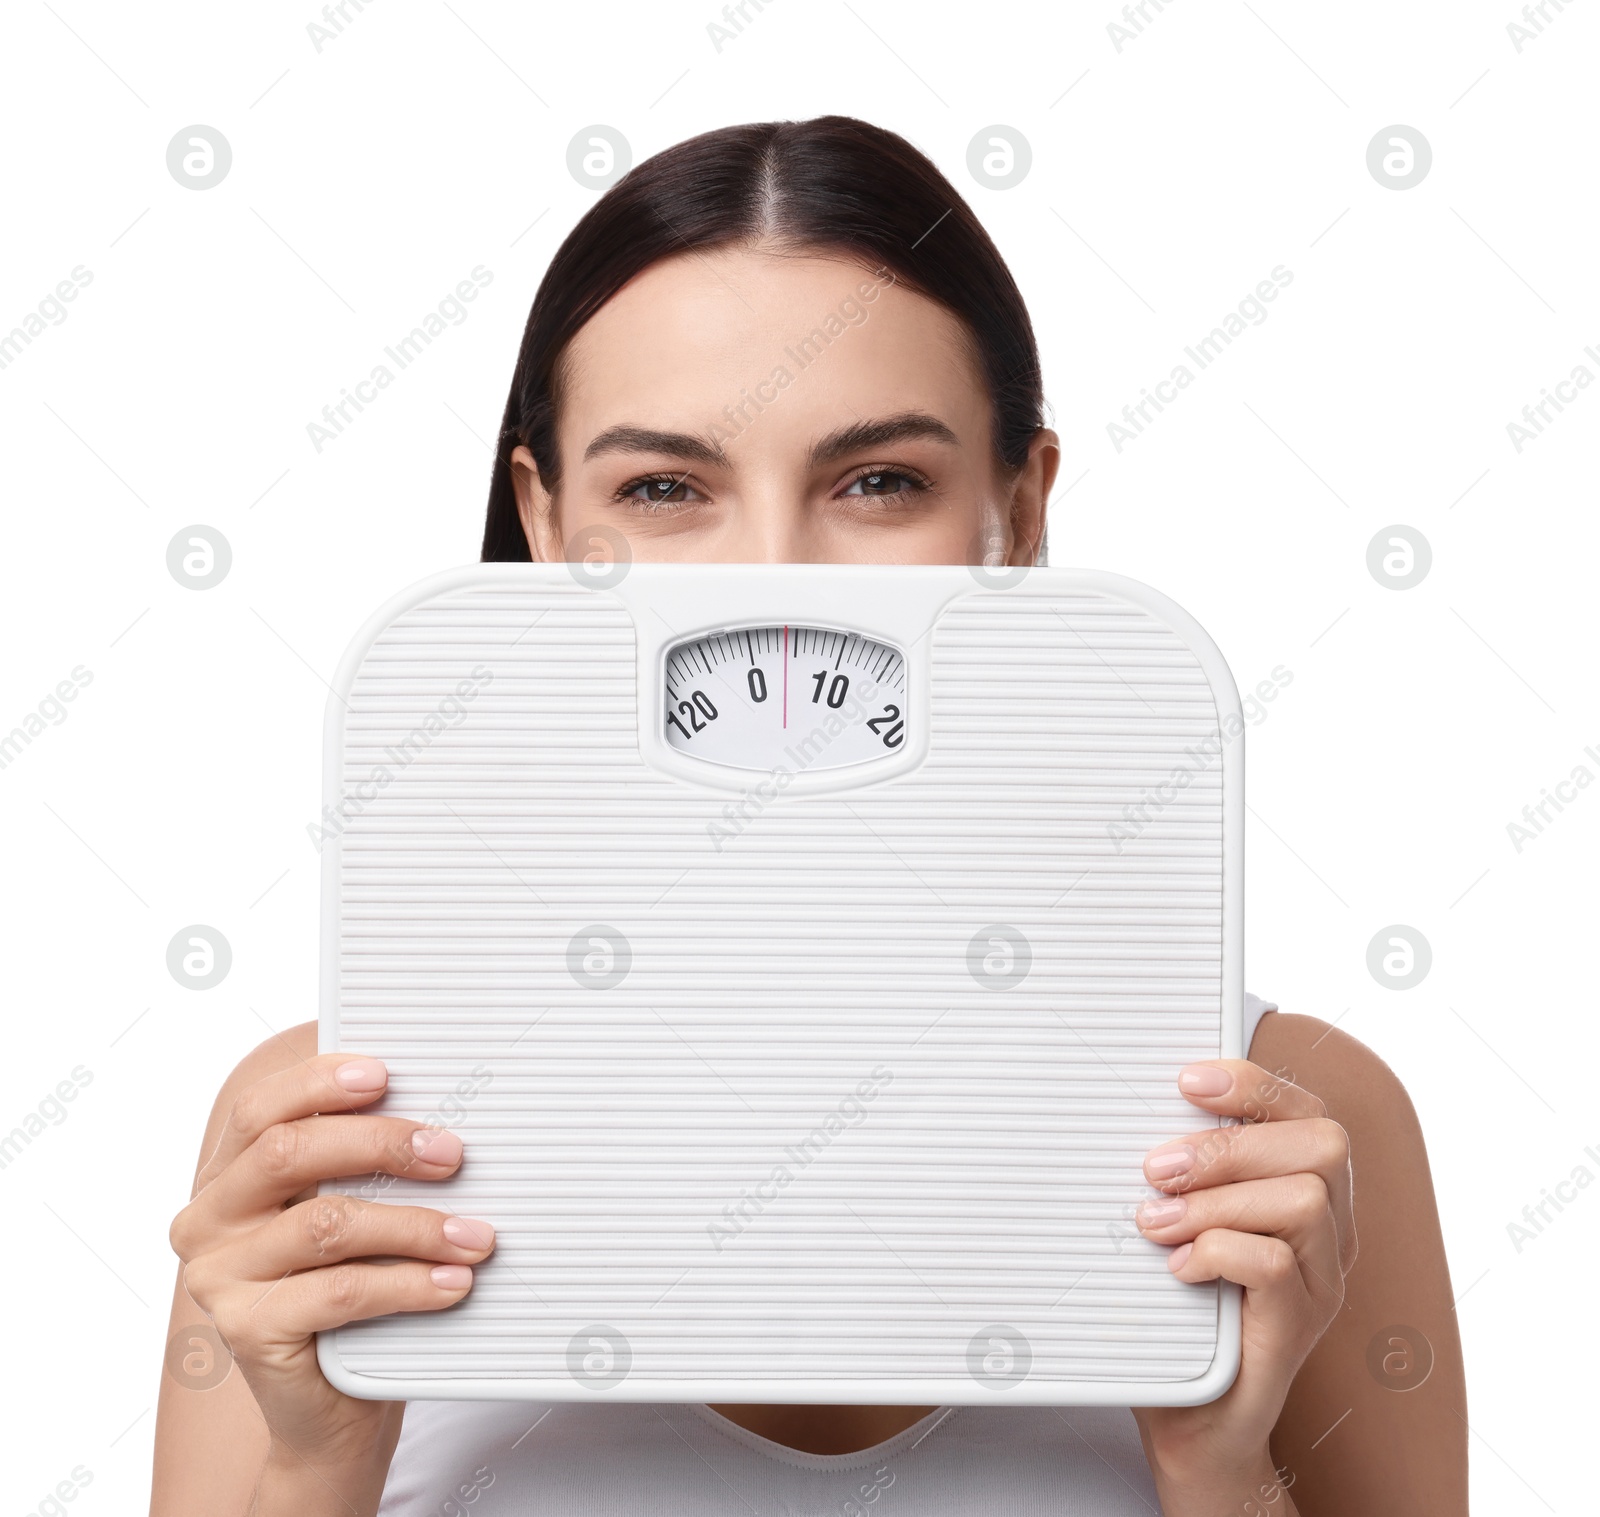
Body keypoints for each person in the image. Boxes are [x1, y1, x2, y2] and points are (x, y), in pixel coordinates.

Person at [154, 116, 1466, 1516]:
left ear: (1018, 508)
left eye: (879, 481)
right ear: (541, 522)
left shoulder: (1298, 1131)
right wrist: (321, 1453)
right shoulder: (325, 1133)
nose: (772, 572)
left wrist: (1213, 1455)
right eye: (663, 488)